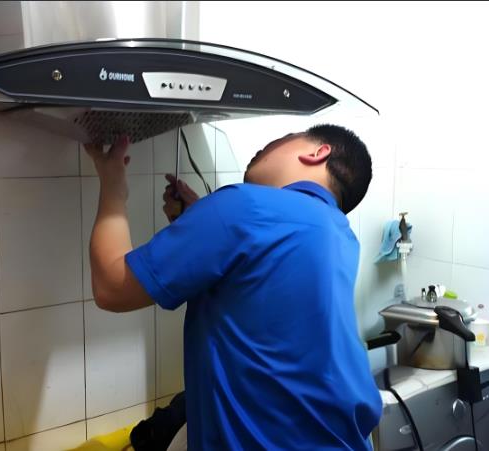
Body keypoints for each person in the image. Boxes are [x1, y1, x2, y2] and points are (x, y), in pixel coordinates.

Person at [85, 124, 382, 450]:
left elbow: (112, 287)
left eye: (281, 138)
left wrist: (113, 185)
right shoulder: (338, 232)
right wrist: (203, 219)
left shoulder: (245, 206)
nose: (265, 146)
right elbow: (255, 277)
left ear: (317, 152)